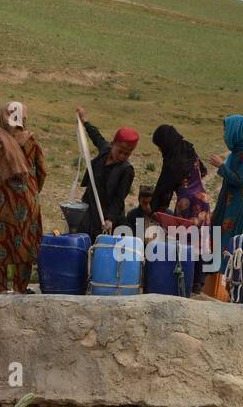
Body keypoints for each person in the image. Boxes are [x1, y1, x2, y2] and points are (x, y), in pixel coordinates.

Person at [0, 101, 46, 293]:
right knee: (26, 240)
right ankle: (21, 288)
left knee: (1, 241)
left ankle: (0, 288)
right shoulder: (31, 141)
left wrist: (1, 193)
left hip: (5, 200)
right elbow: (42, 171)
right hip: (29, 199)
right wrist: (33, 191)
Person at [151, 123, 212, 290]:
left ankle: (186, 279)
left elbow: (164, 187)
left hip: (187, 203)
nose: (160, 150)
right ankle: (198, 282)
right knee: (201, 240)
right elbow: (204, 171)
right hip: (203, 200)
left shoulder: (173, 159)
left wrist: (157, 208)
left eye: (160, 146)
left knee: (185, 242)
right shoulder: (189, 149)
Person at [75, 107, 137, 241]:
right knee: (82, 239)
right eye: (120, 151)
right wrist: (85, 121)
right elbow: (96, 136)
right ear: (113, 144)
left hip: (105, 214)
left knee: (99, 245)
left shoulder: (127, 171)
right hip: (89, 206)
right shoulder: (105, 150)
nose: (122, 156)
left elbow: (119, 198)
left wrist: (110, 219)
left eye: (127, 154)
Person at [209, 114, 243, 262]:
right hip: (228, 205)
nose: (224, 136)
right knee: (218, 244)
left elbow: (239, 180)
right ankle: (216, 280)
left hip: (238, 209)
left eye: (226, 131)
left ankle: (225, 282)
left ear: (235, 131)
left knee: (231, 249)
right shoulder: (235, 154)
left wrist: (221, 166)